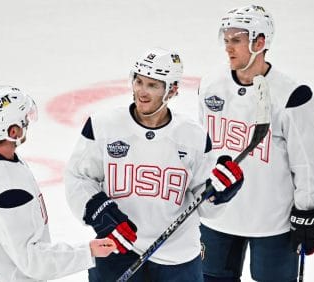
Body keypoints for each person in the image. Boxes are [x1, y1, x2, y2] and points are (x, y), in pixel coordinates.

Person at [64, 47, 245, 282]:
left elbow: (206, 207)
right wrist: (103, 217)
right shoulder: (102, 126)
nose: (142, 92)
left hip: (177, 257)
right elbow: (79, 179)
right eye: (138, 81)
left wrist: (222, 192)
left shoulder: (193, 136)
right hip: (116, 248)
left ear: (172, 90)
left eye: (153, 85)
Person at [197, 4, 314, 282]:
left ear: (260, 42)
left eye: (237, 40)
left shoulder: (291, 94)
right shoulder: (210, 85)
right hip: (218, 215)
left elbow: (306, 161)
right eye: (226, 40)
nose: (228, 48)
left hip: (272, 222)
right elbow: (203, 148)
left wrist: (309, 210)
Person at [0, 85, 116, 282]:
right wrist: (88, 252)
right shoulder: (10, 191)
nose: (28, 122)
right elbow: (32, 262)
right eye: (24, 120)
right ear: (12, 131)